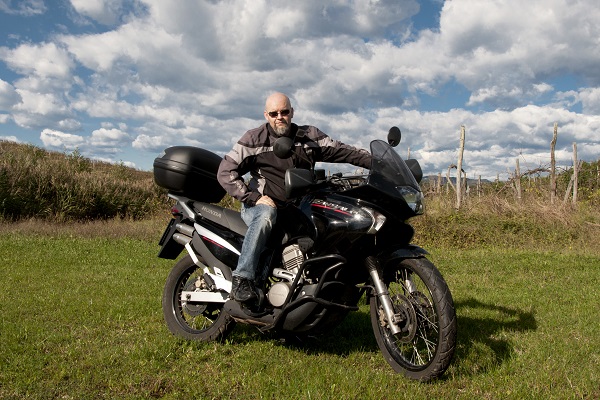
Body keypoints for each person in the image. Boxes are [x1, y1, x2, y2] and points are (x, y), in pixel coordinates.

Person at [217, 92, 371, 304]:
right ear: (266, 115)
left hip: (296, 208)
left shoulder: (308, 137)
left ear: (292, 112)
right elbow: (225, 172)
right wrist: (253, 197)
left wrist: (377, 163)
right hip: (261, 206)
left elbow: (343, 151)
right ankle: (242, 278)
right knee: (266, 213)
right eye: (274, 113)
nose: (279, 117)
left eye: (284, 112)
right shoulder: (254, 139)